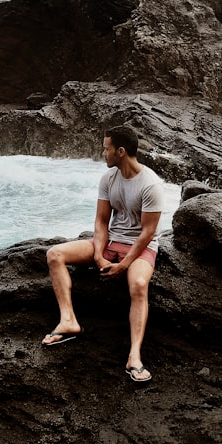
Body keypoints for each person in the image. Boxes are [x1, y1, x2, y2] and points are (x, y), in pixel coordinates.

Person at [42, 125, 166, 383]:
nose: (103, 153)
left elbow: (147, 233)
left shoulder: (151, 184)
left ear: (121, 151)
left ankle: (134, 356)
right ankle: (68, 321)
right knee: (55, 254)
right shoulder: (108, 178)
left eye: (106, 148)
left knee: (139, 284)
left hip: (140, 247)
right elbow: (101, 222)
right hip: (111, 242)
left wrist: (123, 266)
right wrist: (99, 255)